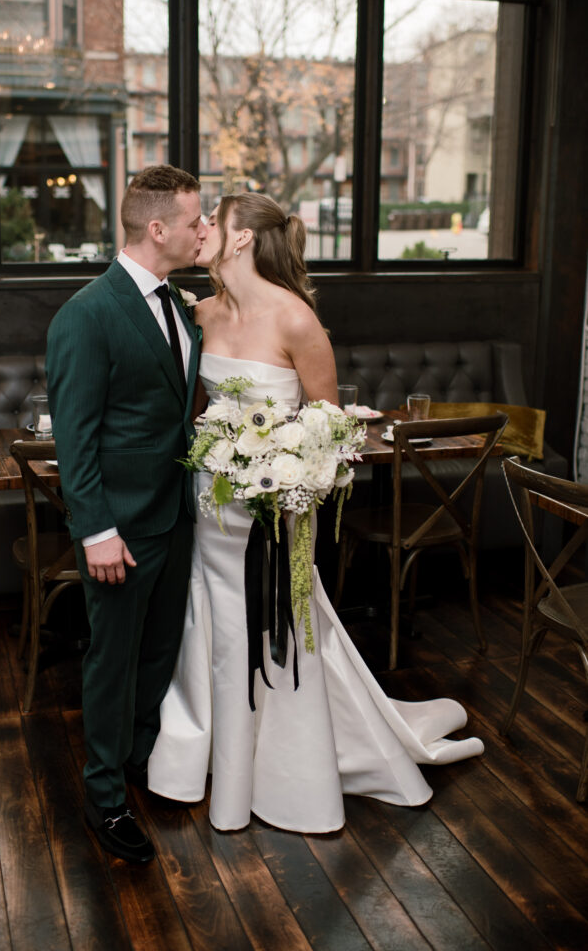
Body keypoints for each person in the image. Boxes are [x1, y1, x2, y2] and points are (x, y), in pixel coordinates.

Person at [147, 191, 484, 833]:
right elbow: (191, 414)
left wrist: (291, 474)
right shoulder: (199, 314)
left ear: (242, 239)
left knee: (279, 625)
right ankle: (213, 755)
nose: (205, 230)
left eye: (214, 222)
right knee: (212, 627)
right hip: (212, 505)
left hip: (278, 509)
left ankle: (285, 767)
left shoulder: (297, 320)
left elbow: (329, 429)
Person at [45, 165, 206, 862]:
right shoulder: (85, 314)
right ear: (157, 227)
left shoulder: (179, 301)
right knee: (112, 662)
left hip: (177, 515)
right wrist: (97, 533)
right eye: (195, 220)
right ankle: (105, 799)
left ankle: (140, 759)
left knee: (159, 650)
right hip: (121, 529)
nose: (204, 230)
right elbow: (73, 438)